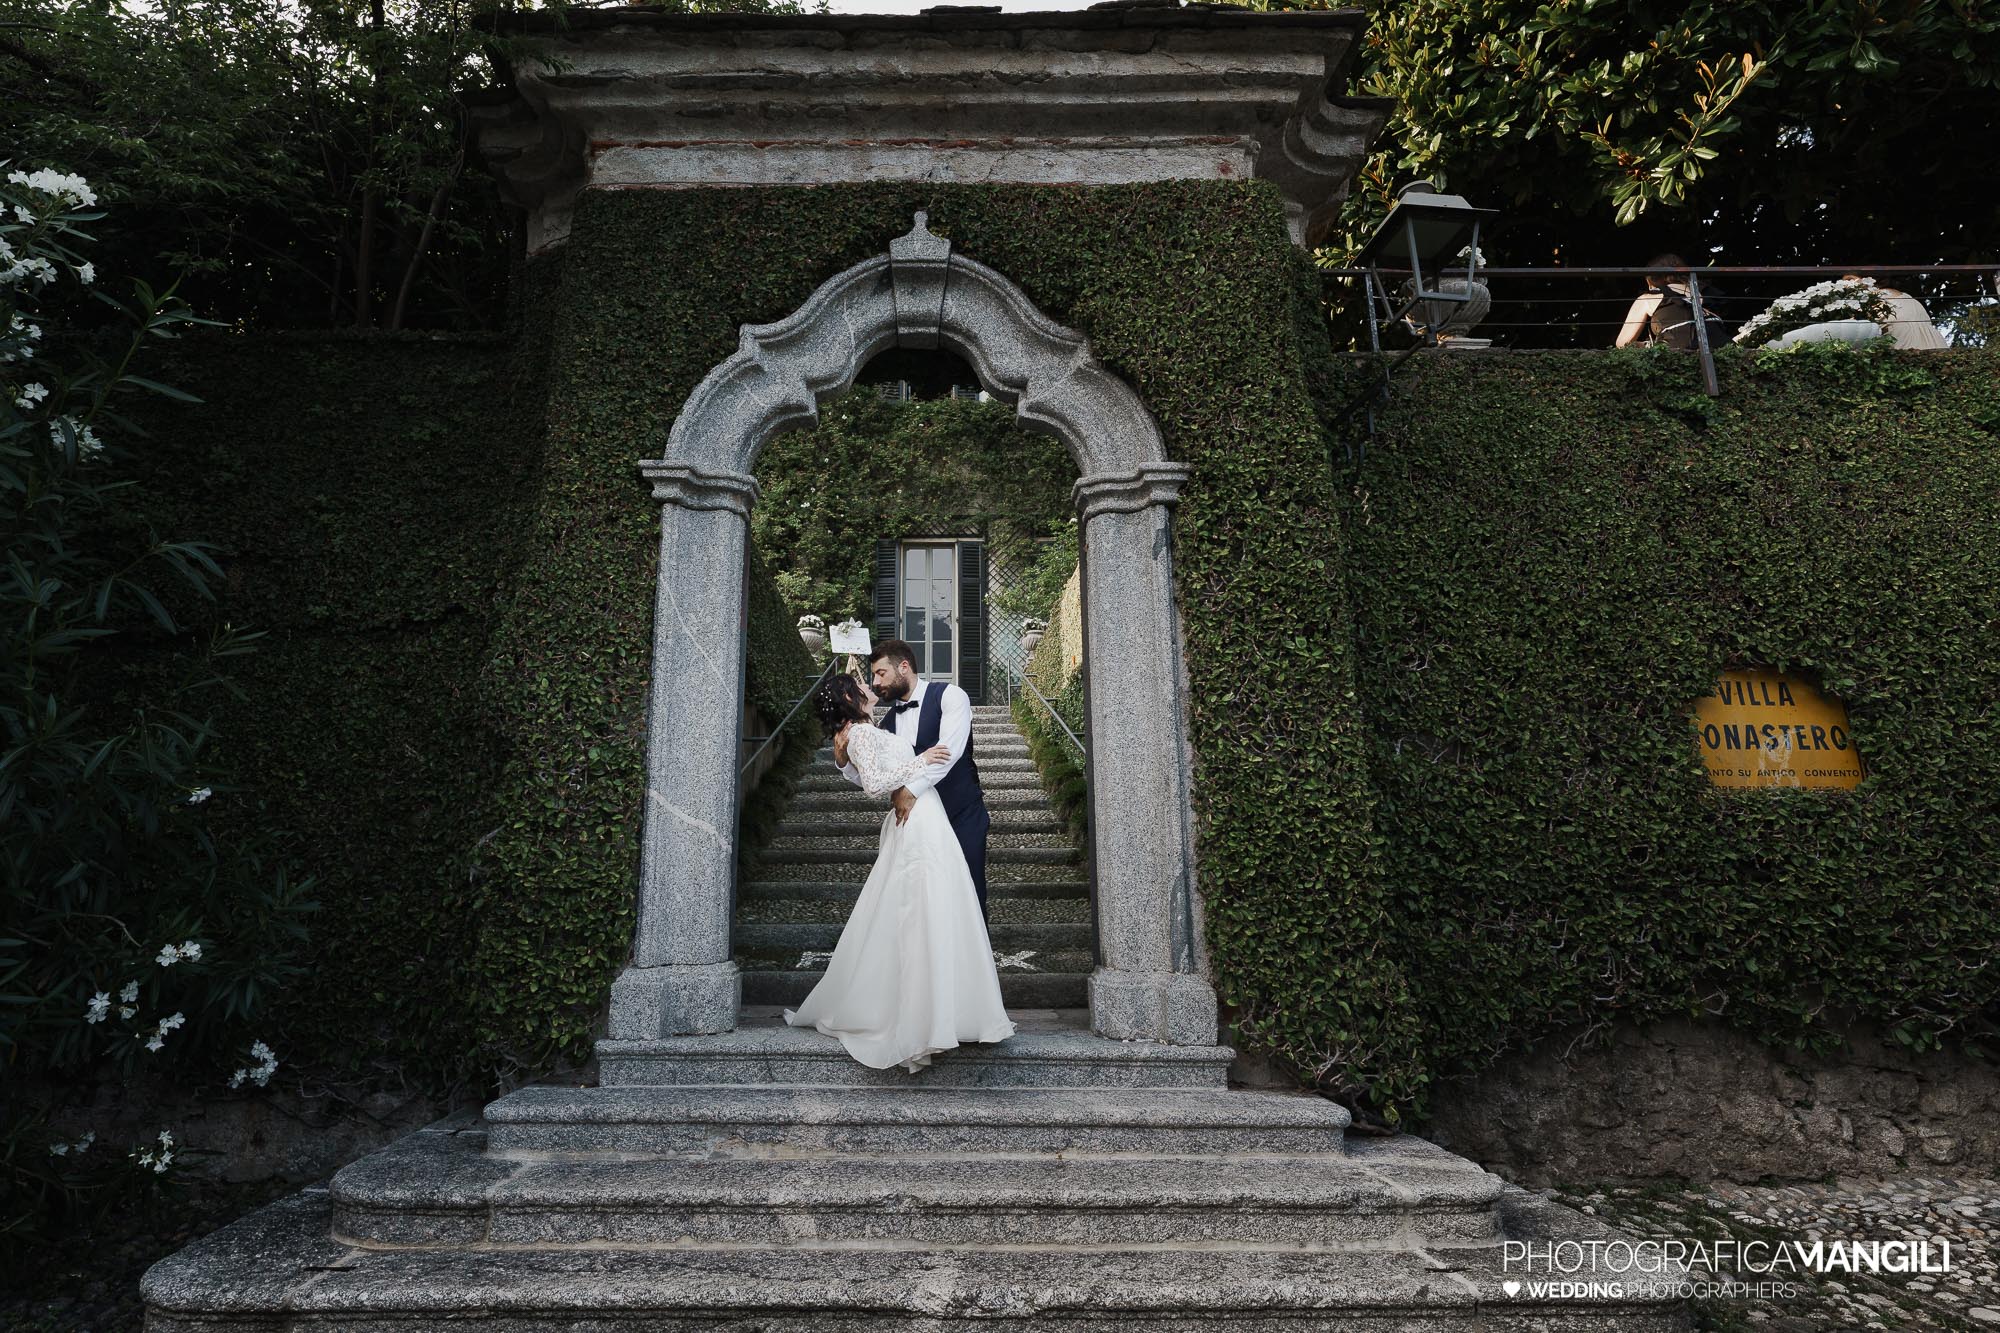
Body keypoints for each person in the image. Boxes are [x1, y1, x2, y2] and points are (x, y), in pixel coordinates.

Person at [783, 673, 1015, 1073]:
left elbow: (867, 769)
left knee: (940, 908)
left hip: (929, 816)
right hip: (918, 818)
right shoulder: (860, 732)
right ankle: (922, 1017)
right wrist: (919, 761)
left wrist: (852, 762)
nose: (870, 684)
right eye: (862, 682)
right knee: (920, 911)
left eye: (875, 674)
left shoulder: (870, 728)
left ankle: (950, 1011)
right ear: (849, 697)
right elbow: (874, 784)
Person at [840, 638, 992, 920]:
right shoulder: (887, 724)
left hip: (962, 813)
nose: (875, 682)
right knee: (923, 898)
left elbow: (949, 752)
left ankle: (973, 961)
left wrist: (910, 789)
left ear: (904, 667)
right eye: (873, 676)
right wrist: (844, 765)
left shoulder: (950, 695)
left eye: (881, 673)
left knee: (970, 891)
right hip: (918, 824)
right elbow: (875, 778)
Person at [1614, 253, 1726, 349]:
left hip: (1678, 357)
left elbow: (1623, 344)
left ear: (1652, 280)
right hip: (1723, 353)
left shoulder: (1647, 298)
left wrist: (1648, 345)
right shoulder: (1706, 292)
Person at [1841, 274, 1949, 349]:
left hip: (1907, 348)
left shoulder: (1873, 300)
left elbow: (1854, 331)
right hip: (1937, 347)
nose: (1846, 286)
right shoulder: (1907, 297)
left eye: (1850, 280)